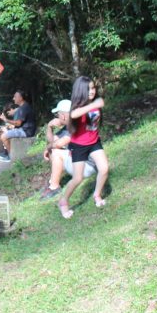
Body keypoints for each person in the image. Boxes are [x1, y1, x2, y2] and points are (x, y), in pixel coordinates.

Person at [58, 77, 110, 219]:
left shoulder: (95, 102)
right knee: (77, 178)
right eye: (88, 89)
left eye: (93, 88)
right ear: (80, 91)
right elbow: (73, 115)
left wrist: (96, 104)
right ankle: (63, 201)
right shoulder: (77, 107)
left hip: (94, 142)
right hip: (79, 146)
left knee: (104, 169)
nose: (91, 91)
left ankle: (97, 195)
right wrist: (94, 105)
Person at [38, 99, 96, 200]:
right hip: (80, 163)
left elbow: (59, 144)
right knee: (53, 150)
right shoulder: (69, 125)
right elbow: (52, 140)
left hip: (87, 167)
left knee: (56, 152)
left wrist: (48, 147)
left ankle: (54, 187)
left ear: (63, 116)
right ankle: (53, 181)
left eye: (58, 114)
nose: (57, 117)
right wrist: (49, 127)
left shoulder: (77, 125)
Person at [0, 90, 36, 162]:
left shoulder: (23, 108)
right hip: (24, 129)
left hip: (26, 131)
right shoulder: (23, 107)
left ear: (21, 98)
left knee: (4, 136)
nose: (13, 98)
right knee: (5, 131)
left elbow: (18, 123)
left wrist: (6, 120)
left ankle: (11, 157)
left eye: (15, 97)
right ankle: (8, 154)